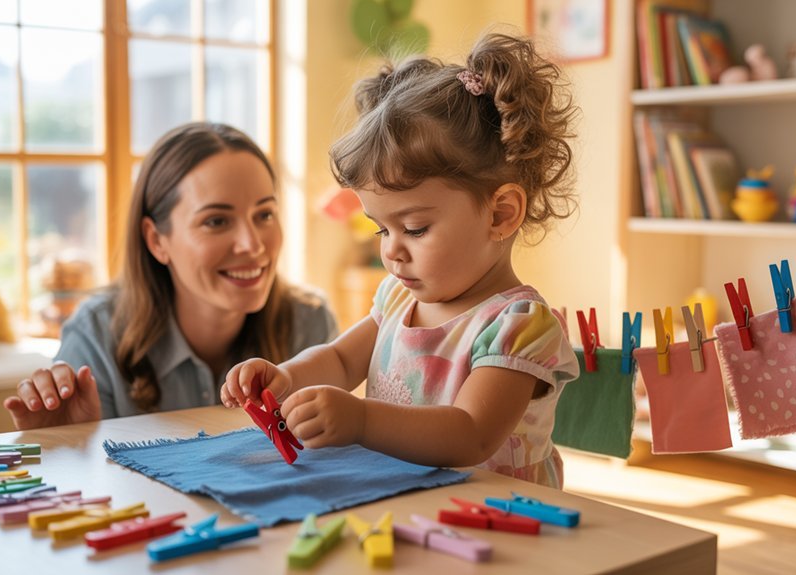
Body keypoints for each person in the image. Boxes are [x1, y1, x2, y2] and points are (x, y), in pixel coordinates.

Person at [221, 33, 581, 488]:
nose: (391, 249)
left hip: (503, 527)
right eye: (381, 228)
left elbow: (470, 435)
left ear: (501, 213)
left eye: (414, 229)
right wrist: (285, 378)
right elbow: (338, 359)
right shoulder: (396, 298)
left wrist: (362, 421)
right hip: (410, 505)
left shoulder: (519, 327)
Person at [4, 122, 338, 430]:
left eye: (264, 214)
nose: (252, 245)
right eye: (216, 221)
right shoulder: (96, 336)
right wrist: (70, 443)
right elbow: (77, 482)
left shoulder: (309, 323)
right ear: (156, 240)